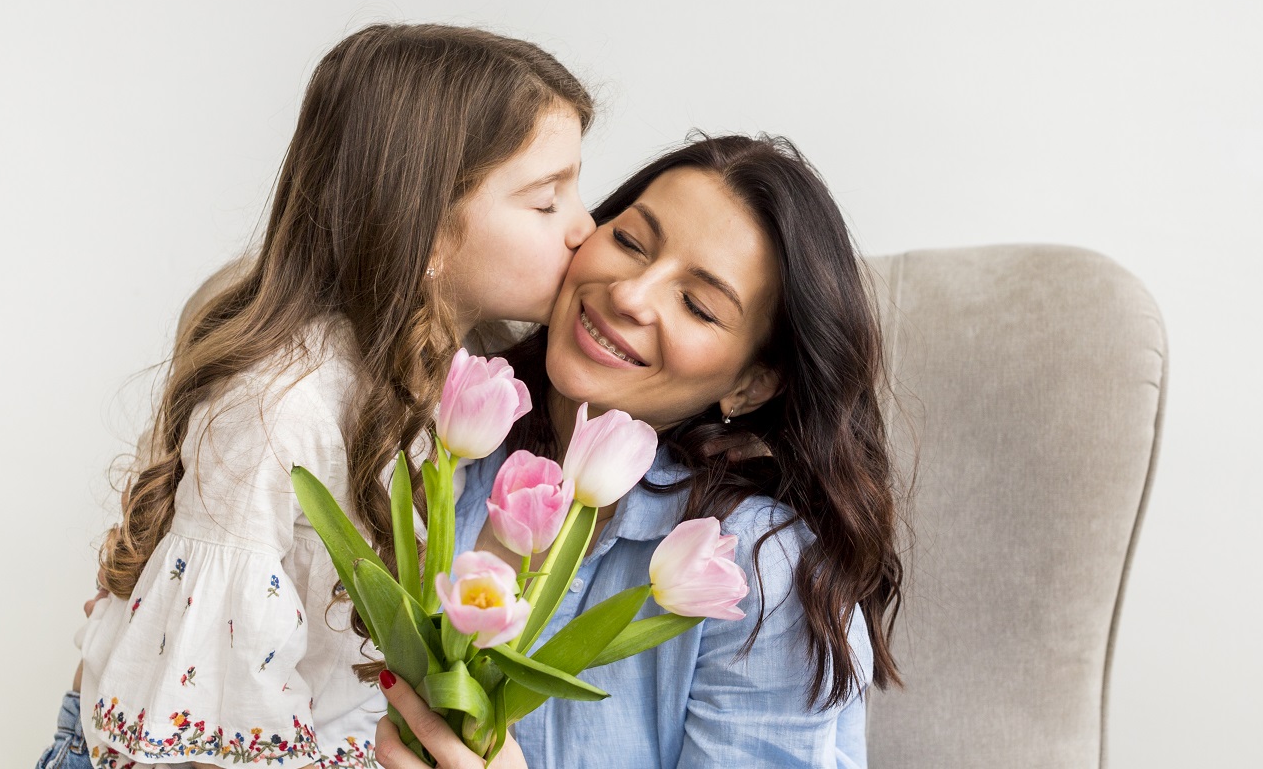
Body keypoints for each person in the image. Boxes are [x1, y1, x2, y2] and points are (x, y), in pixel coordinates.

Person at [38, 23, 597, 769]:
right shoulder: (281, 408)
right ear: (426, 226)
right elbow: (201, 727)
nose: (584, 227)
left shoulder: (462, 361)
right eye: (546, 201)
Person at [372, 134, 906, 769]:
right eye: (628, 242)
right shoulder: (443, 439)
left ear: (750, 383)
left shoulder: (752, 572)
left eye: (698, 306)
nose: (629, 294)